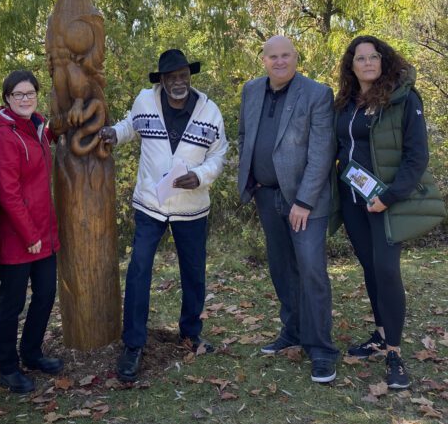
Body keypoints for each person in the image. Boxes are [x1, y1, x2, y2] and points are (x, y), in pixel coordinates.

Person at [99, 49, 228, 382]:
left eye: (183, 75)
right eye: (171, 77)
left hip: (191, 206)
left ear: (189, 76)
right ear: (162, 80)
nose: (178, 82)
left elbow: (219, 154)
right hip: (150, 205)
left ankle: (190, 332)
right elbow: (131, 125)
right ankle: (134, 343)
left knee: (194, 272)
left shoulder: (209, 111)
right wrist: (114, 132)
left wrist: (200, 175)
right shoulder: (145, 101)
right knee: (139, 268)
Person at [331, 35, 441, 389]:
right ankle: (380, 335)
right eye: (359, 58)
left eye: (373, 57)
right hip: (353, 200)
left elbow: (416, 156)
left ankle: (394, 352)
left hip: (385, 202)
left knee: (387, 270)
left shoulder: (403, 99)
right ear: (351, 65)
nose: (367, 63)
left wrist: (389, 197)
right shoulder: (346, 103)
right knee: (370, 266)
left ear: (383, 60)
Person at [237, 35, 339, 383]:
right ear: (263, 60)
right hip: (267, 196)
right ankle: (292, 332)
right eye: (273, 56)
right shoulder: (251, 91)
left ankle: (322, 349)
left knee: (311, 270)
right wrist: (251, 180)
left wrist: (304, 201)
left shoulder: (317, 94)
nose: (279, 62)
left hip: (305, 202)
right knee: (282, 269)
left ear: (296, 58)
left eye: (286, 55)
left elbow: (322, 153)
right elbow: (244, 135)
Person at [0, 70, 62, 394]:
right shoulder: (3, 134)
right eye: (18, 94)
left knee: (45, 294)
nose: (25, 98)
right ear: (7, 98)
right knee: (12, 303)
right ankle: (7, 366)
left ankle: (31, 353)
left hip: (43, 231)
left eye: (30, 93)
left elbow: (50, 146)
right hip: (18, 237)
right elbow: (9, 192)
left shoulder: (37, 125)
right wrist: (30, 236)